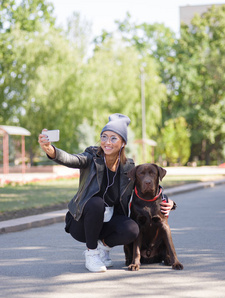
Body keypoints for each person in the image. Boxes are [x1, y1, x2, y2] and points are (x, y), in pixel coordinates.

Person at [38, 113, 175, 273]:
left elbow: (147, 186)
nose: (107, 142)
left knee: (132, 229)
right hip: (82, 222)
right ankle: (91, 254)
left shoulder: (128, 168)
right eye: (104, 137)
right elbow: (70, 159)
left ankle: (103, 247)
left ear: (123, 143)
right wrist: (50, 150)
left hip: (109, 223)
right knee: (97, 203)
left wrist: (167, 200)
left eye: (113, 138)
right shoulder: (91, 157)